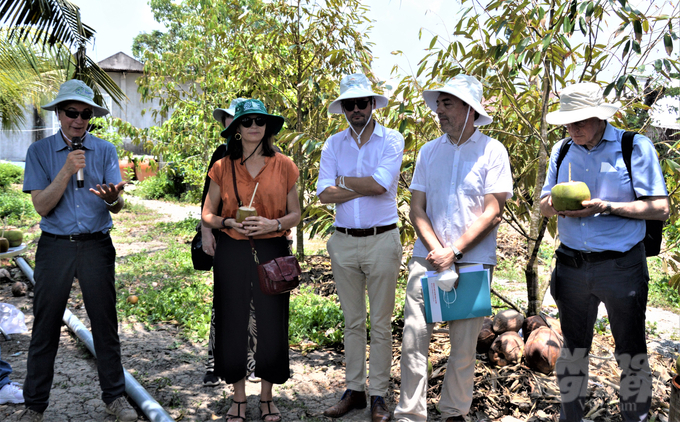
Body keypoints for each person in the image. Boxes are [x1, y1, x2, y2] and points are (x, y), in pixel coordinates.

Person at [539, 82, 669, 422]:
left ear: (600, 116)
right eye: (568, 121)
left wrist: (606, 207)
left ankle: (635, 417)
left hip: (620, 266)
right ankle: (571, 417)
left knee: (631, 354)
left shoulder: (633, 146)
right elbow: (542, 205)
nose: (573, 127)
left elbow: (660, 207)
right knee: (572, 351)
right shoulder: (562, 150)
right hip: (570, 265)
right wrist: (556, 204)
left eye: (580, 120)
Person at [394, 74, 513, 422]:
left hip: (473, 262)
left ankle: (453, 412)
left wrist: (455, 252)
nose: (438, 110)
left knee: (463, 346)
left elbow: (493, 212)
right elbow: (417, 208)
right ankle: (410, 414)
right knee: (414, 338)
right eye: (439, 103)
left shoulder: (492, 151)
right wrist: (438, 252)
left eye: (447, 103)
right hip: (427, 259)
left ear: (469, 109)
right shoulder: (430, 152)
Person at [20, 79, 137, 421]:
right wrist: (67, 170)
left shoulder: (105, 150)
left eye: (86, 114)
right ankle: (34, 405)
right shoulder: (38, 152)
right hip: (55, 247)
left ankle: (115, 398)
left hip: (96, 245)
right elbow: (41, 206)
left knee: (104, 324)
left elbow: (116, 206)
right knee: (44, 327)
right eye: (71, 112)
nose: (78, 120)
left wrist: (114, 199)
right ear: (59, 113)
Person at [202, 98, 301, 422]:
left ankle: (268, 397)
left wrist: (273, 224)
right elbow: (207, 213)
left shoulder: (284, 165)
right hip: (232, 251)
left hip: (271, 251)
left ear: (268, 127)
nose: (254, 127)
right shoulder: (222, 166)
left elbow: (295, 214)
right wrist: (227, 223)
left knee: (273, 324)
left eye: (260, 121)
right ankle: (239, 397)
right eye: (247, 122)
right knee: (233, 323)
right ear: (236, 129)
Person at [317, 73, 404, 422]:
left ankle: (379, 395)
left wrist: (342, 182)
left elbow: (381, 185)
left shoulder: (391, 139)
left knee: (381, 325)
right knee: (352, 322)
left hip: (382, 239)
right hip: (343, 242)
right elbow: (324, 195)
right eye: (349, 104)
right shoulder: (332, 144)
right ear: (343, 109)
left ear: (372, 104)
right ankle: (354, 391)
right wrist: (360, 186)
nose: (356, 109)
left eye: (362, 102)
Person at [200, 98, 245, 387]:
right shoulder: (220, 154)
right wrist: (206, 232)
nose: (230, 123)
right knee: (224, 301)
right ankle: (216, 364)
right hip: (225, 237)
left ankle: (251, 363)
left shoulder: (271, 155)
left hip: (259, 239)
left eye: (236, 118)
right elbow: (207, 199)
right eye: (226, 119)